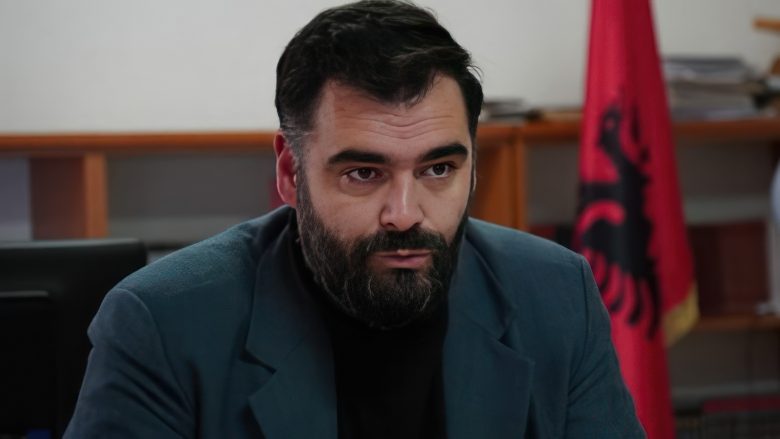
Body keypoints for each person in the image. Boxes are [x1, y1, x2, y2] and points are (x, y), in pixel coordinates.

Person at [65, 1, 645, 437]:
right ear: (290, 173)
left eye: (438, 169)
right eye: (364, 173)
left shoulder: (556, 294)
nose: (404, 215)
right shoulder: (163, 323)